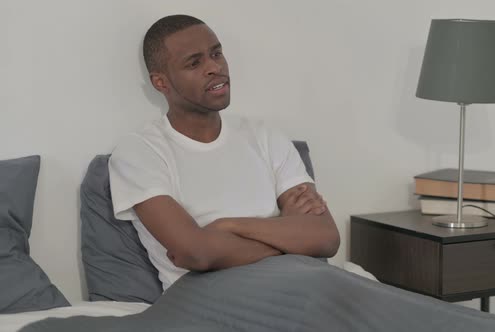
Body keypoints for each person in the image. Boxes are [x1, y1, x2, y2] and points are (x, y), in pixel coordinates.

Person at [108, 14, 340, 291]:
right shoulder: (139, 152)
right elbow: (197, 253)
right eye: (194, 63)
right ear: (161, 83)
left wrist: (226, 227)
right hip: (210, 296)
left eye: (216, 53)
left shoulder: (265, 136)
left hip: (298, 283)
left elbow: (325, 237)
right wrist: (289, 237)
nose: (214, 67)